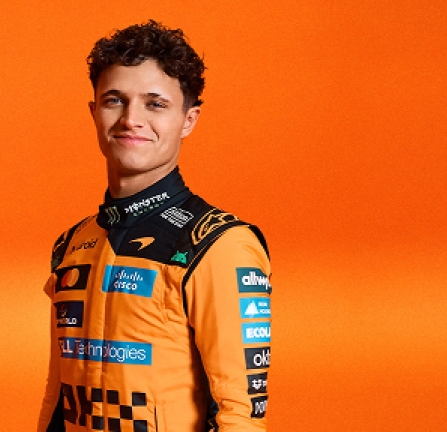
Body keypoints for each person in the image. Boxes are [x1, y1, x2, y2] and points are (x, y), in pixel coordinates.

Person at [38, 20, 272, 431]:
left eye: (155, 104)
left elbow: (241, 413)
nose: (131, 119)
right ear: (94, 112)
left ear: (189, 120)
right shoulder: (73, 243)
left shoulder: (219, 245)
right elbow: (56, 397)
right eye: (115, 100)